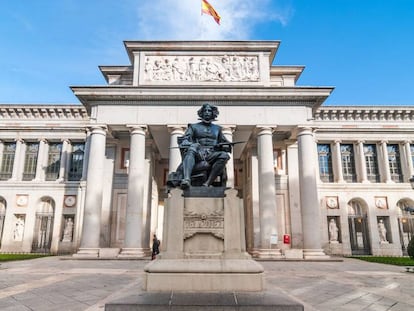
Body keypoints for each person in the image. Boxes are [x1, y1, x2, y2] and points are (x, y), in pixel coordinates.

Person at [178, 103, 231, 189]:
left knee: (224, 155)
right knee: (192, 147)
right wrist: (185, 141)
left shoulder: (218, 129)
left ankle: (207, 183)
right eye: (205, 110)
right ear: (201, 113)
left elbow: (225, 143)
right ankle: (186, 179)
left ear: (213, 113)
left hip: (212, 154)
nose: (207, 112)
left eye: (209, 111)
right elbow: (185, 138)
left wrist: (225, 146)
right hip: (198, 153)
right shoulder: (193, 127)